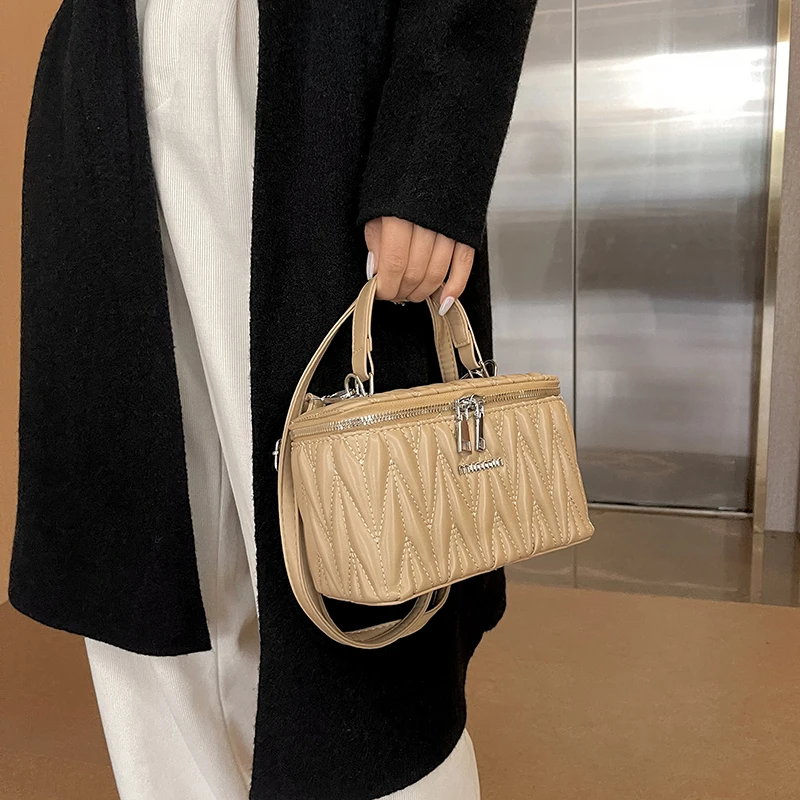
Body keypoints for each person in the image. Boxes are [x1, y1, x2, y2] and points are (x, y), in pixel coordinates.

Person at [8, 1, 537, 798]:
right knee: (147, 554)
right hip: (111, 63)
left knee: (365, 566)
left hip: (327, 68)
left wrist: (435, 151)